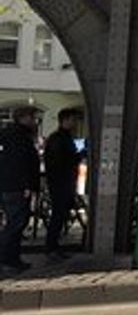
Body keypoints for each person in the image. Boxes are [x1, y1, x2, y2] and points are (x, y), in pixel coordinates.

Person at [0, 107, 41, 275]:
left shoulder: (12, 134)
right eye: (32, 117)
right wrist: (26, 185)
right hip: (16, 187)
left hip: (11, 185)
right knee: (16, 224)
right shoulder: (19, 136)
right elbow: (20, 163)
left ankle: (13, 259)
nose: (34, 121)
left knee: (16, 223)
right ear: (23, 118)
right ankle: (6, 259)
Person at [43, 108, 85, 258]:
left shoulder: (60, 138)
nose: (75, 123)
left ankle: (53, 246)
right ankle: (51, 247)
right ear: (64, 120)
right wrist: (81, 154)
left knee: (60, 215)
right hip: (61, 183)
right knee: (58, 215)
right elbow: (63, 161)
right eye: (73, 120)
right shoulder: (60, 139)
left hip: (62, 182)